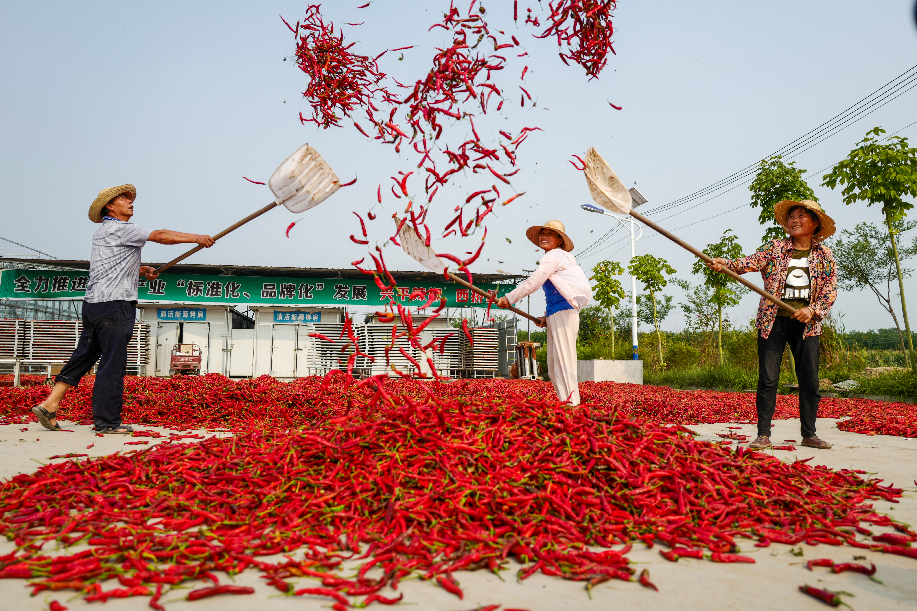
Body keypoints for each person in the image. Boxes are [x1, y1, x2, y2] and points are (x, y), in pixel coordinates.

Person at [31, 185, 215, 434]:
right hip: (114, 305)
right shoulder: (122, 229)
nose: (130, 202)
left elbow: (112, 266)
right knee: (113, 362)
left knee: (85, 355)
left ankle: (50, 404)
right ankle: (107, 422)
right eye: (123, 199)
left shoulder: (103, 232)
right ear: (110, 206)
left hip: (95, 304)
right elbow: (160, 235)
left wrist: (143, 269)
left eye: (130, 199)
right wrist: (197, 238)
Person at [708, 199, 837, 450]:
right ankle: (763, 434)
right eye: (791, 217)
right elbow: (751, 261)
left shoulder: (824, 255)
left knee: (809, 380)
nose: (794, 220)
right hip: (773, 321)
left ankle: (809, 434)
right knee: (768, 379)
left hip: (807, 324)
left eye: (801, 216)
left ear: (815, 223)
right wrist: (726, 264)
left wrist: (812, 310)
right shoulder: (776, 247)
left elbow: (829, 291)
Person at [496, 220, 591, 405]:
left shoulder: (554, 255)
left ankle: (573, 405)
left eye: (550, 234)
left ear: (559, 240)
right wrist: (546, 316)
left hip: (564, 313)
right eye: (542, 233)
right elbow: (561, 289)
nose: (544, 236)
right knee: (554, 368)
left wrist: (509, 298)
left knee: (564, 363)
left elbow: (534, 281)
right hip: (557, 313)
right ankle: (565, 403)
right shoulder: (555, 257)